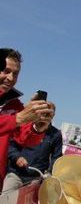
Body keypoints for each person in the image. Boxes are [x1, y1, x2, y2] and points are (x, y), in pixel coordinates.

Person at [0, 48, 55, 191]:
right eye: (6, 71)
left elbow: (25, 140)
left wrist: (38, 128)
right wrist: (17, 119)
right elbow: (16, 120)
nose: (11, 78)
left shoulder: (13, 103)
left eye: (15, 74)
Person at [3, 123, 63, 191]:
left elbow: (56, 157)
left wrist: (49, 173)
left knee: (28, 201)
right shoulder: (24, 126)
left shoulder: (56, 134)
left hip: (35, 179)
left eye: (48, 114)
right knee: (5, 197)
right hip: (15, 174)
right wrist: (17, 157)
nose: (43, 116)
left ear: (52, 115)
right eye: (42, 113)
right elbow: (11, 146)